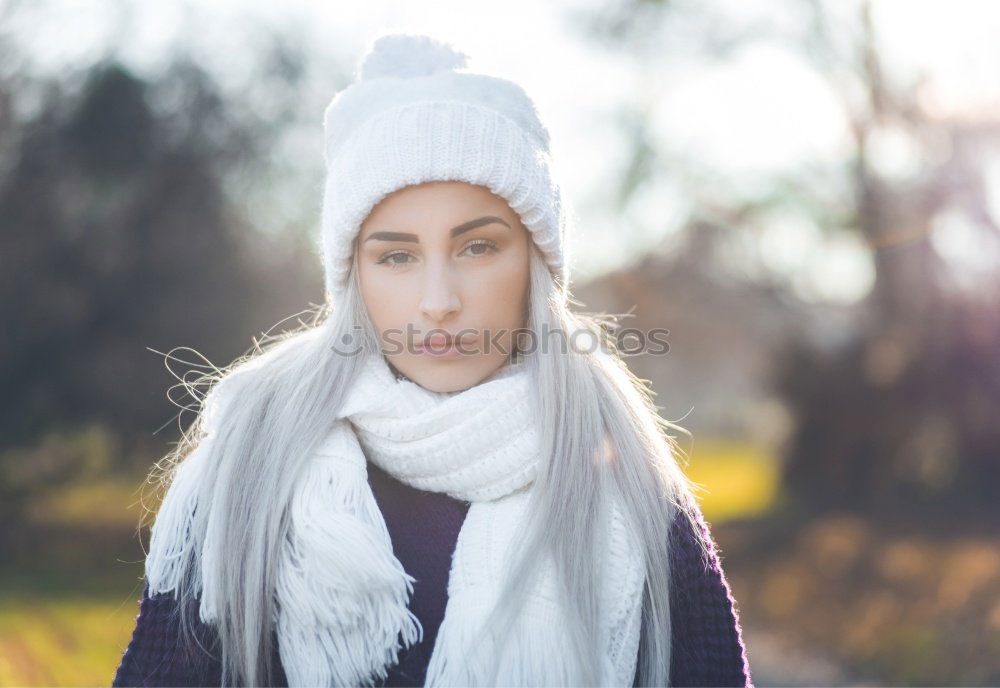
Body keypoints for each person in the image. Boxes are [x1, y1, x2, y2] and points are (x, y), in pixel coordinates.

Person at [112, 31, 753, 688]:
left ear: (535, 266)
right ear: (353, 278)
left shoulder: (636, 493)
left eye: (478, 248)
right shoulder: (247, 475)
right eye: (397, 256)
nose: (439, 301)